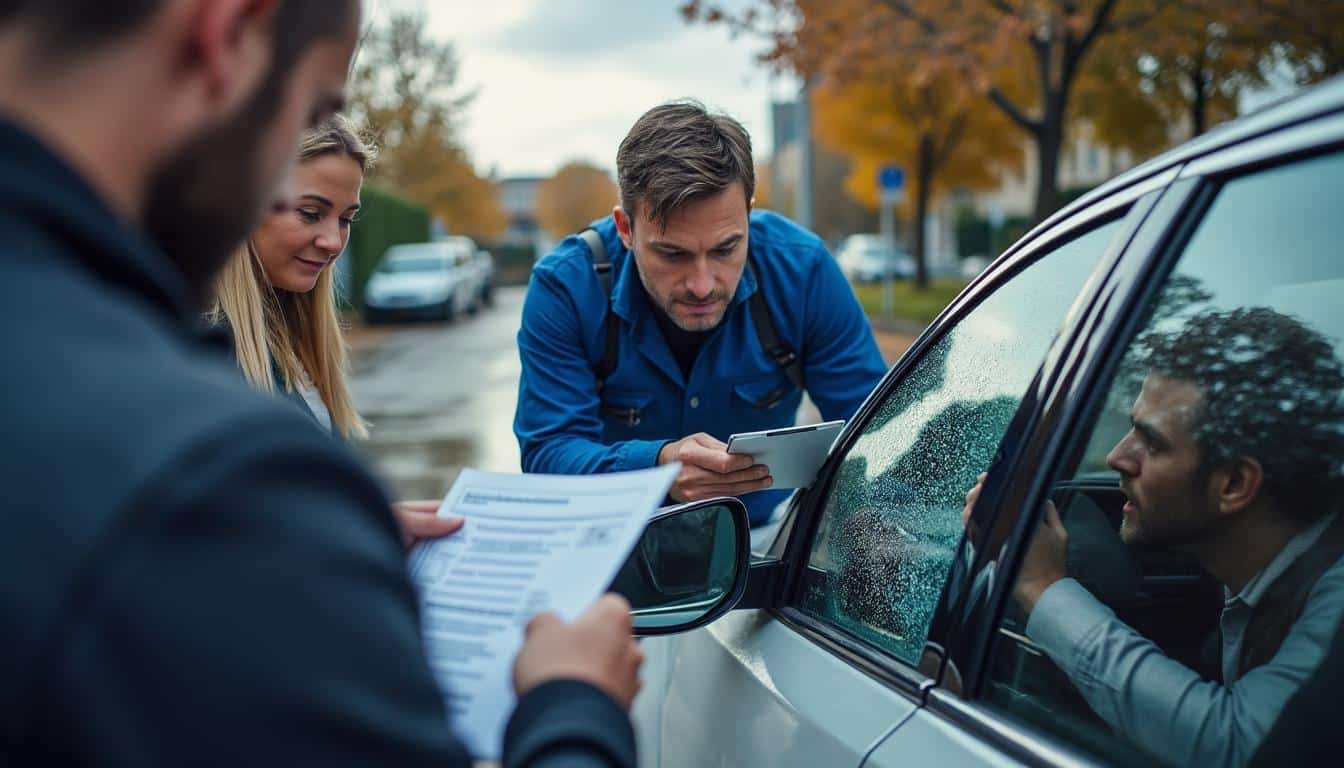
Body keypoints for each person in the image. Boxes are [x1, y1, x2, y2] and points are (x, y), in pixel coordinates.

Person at [0, 2, 640, 765]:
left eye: (345, 218)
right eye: (309, 107)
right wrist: (573, 706)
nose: (329, 239)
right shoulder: (219, 470)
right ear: (226, 32)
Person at [514, 101, 887, 526]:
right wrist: (658, 466)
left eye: (726, 249)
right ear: (625, 229)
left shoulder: (803, 271)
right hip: (612, 542)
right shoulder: (565, 287)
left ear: (748, 214)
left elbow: (878, 428)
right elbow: (548, 455)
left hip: (761, 542)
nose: (703, 284)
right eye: (672, 254)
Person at [1007, 308, 1344, 766]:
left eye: (1153, 442)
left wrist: (1042, 588)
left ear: (1233, 485)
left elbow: (1239, 748)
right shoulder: (1269, 572)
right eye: (1130, 429)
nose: (1116, 457)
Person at [212, 114, 457, 545]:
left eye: (345, 219)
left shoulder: (294, 337)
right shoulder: (196, 349)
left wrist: (374, 520)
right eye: (311, 213)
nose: (333, 241)